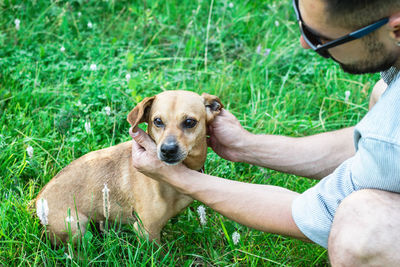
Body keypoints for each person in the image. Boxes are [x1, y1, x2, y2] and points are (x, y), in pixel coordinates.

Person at [129, 0, 400, 265]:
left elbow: (316, 214)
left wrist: (178, 176)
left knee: (361, 228)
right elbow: (367, 146)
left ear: (396, 30)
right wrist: (244, 145)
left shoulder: (391, 134)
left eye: (321, 39)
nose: (304, 43)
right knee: (381, 92)